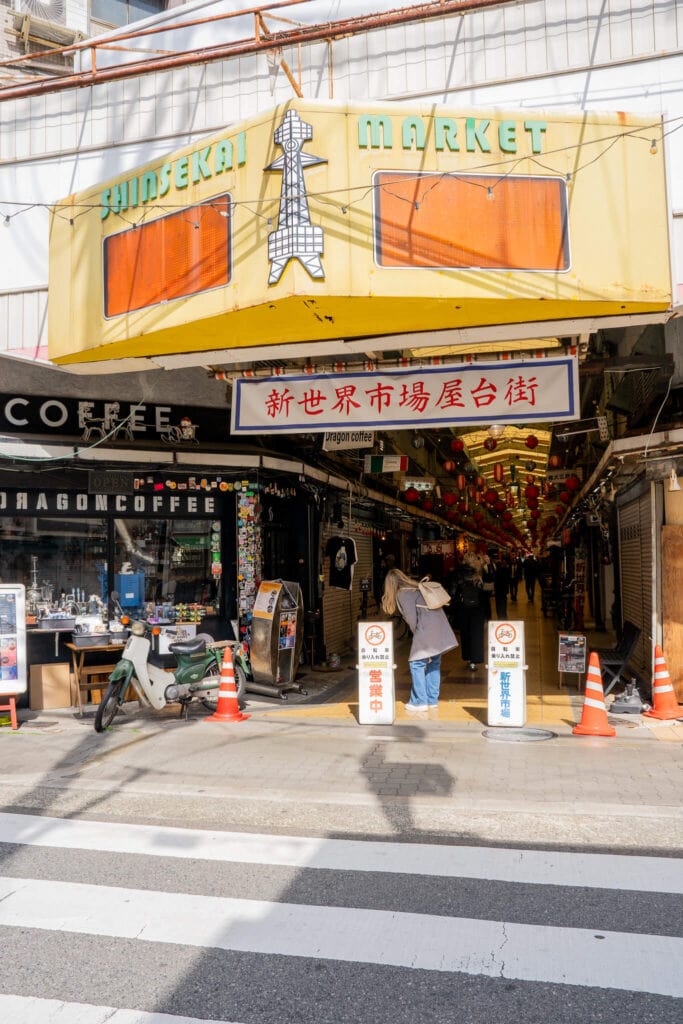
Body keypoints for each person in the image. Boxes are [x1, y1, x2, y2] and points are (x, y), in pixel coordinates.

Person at [381, 568, 458, 710]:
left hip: (426, 628)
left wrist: (418, 637)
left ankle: (419, 701)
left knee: (416, 663)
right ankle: (432, 699)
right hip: (440, 625)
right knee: (434, 662)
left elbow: (411, 618)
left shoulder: (403, 594)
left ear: (390, 585)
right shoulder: (417, 588)